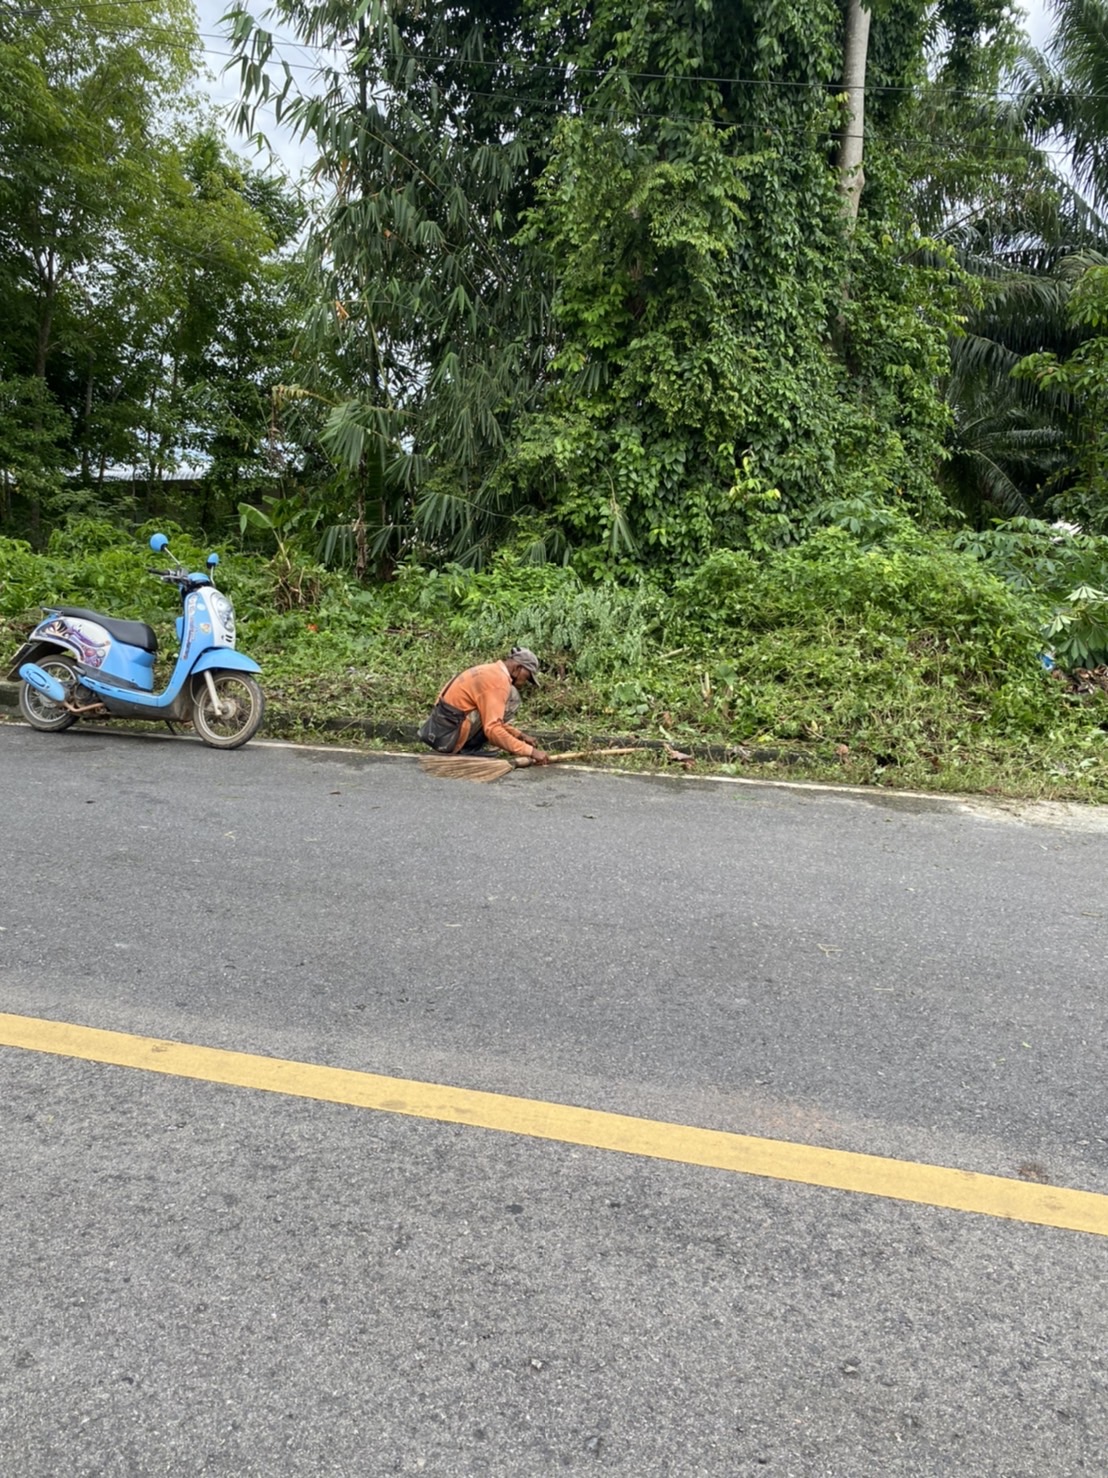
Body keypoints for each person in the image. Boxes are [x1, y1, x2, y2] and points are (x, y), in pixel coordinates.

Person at [418, 647, 550, 764]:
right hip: (448, 736)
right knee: (513, 696)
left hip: (439, 729)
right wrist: (530, 751)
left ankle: (467, 745)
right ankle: (466, 748)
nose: (524, 682)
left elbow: (489, 717)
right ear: (517, 668)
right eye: (526, 677)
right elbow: (493, 729)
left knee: (501, 702)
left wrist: (520, 735)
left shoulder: (490, 670)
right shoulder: (498, 682)